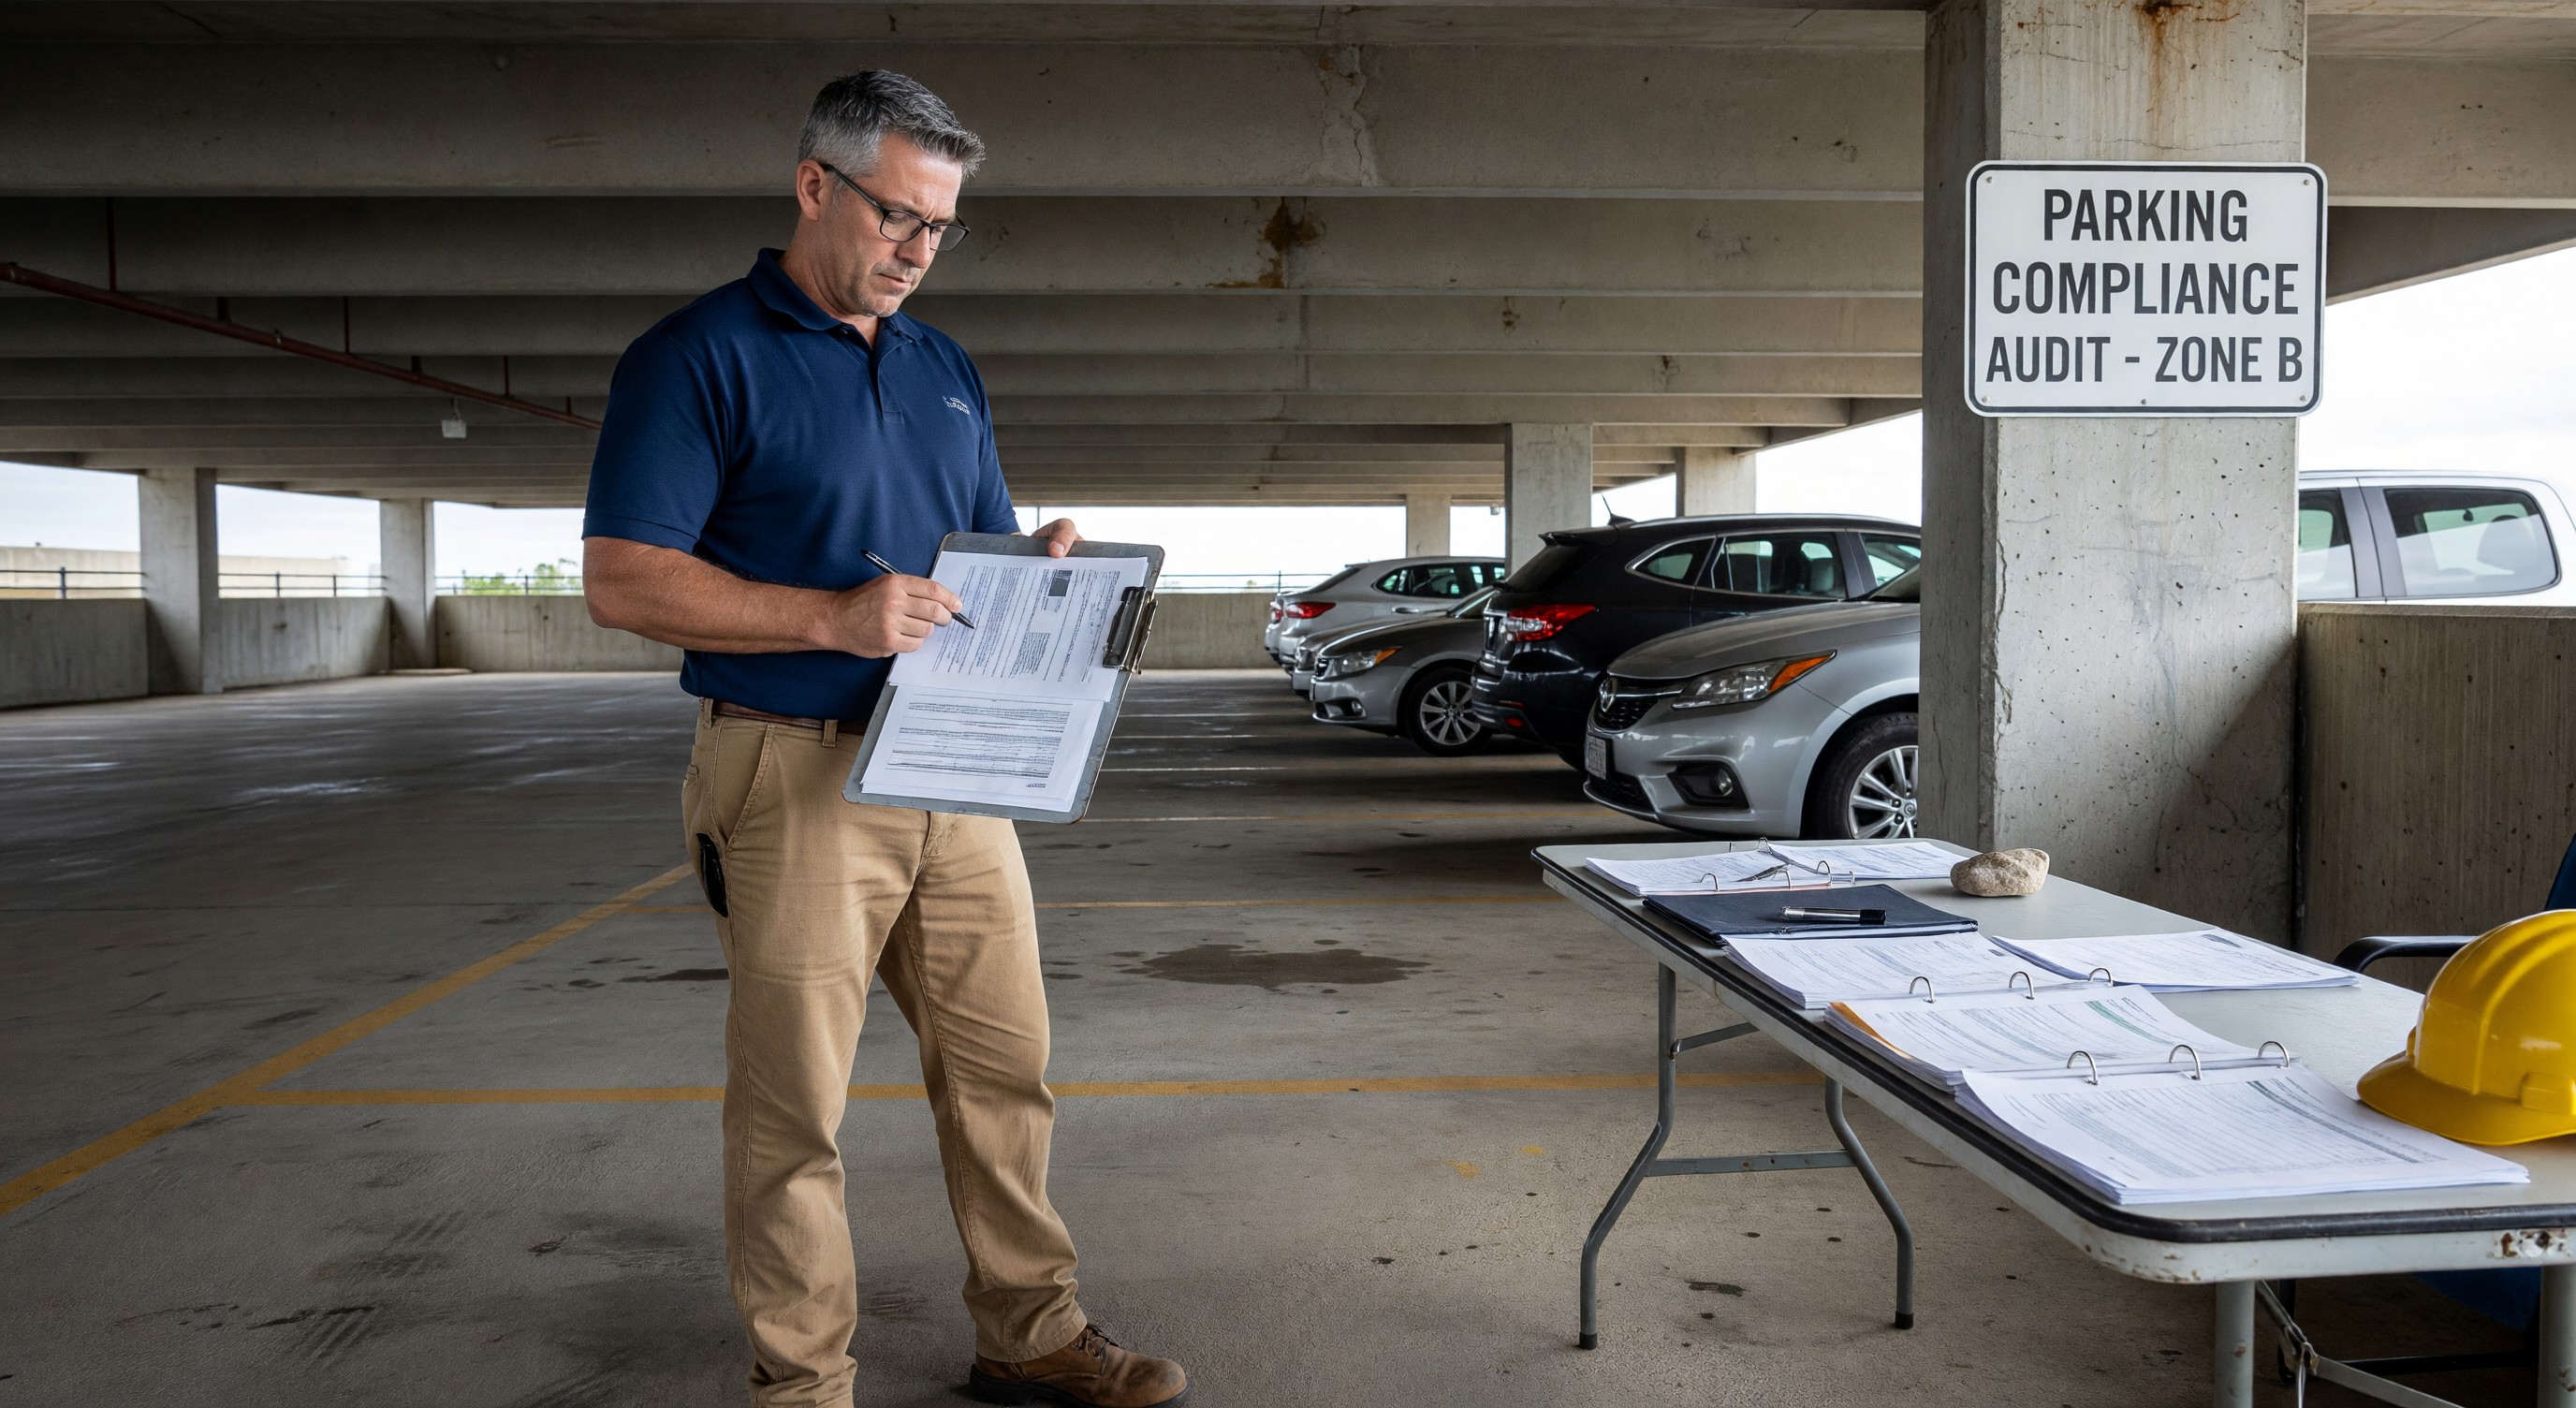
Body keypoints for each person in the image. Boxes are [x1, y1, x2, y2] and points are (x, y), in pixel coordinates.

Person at [580, 70, 1190, 1408]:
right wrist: (830, 617)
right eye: (901, 217)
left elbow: (968, 559)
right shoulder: (696, 358)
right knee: (796, 1111)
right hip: (787, 767)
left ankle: (1030, 1335)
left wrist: (1044, 566)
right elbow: (624, 578)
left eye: (942, 228)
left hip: (952, 767)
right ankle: (803, 1387)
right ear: (816, 188)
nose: (919, 251)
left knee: (1003, 1071)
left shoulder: (941, 366)